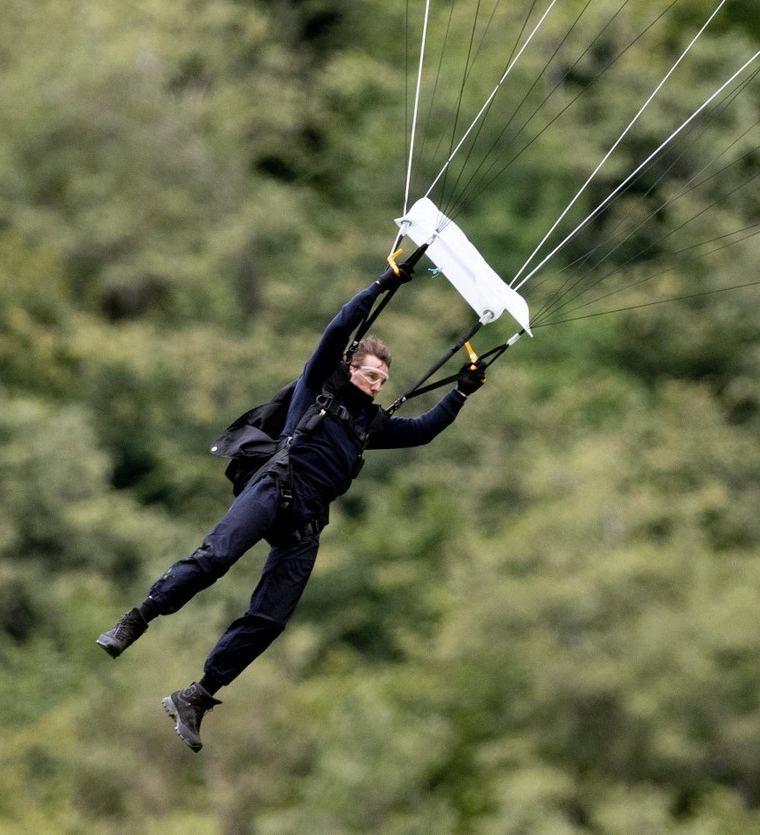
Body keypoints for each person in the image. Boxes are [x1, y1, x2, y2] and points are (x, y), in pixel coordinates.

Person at [94, 261, 485, 751]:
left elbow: (424, 430)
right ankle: (137, 619)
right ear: (351, 369)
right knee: (214, 559)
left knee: (272, 618)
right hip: (274, 487)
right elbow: (340, 327)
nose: (377, 384)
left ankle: (197, 695)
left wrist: (461, 391)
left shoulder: (372, 426)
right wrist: (384, 284)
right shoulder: (319, 383)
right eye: (370, 375)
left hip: (305, 523)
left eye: (384, 380)